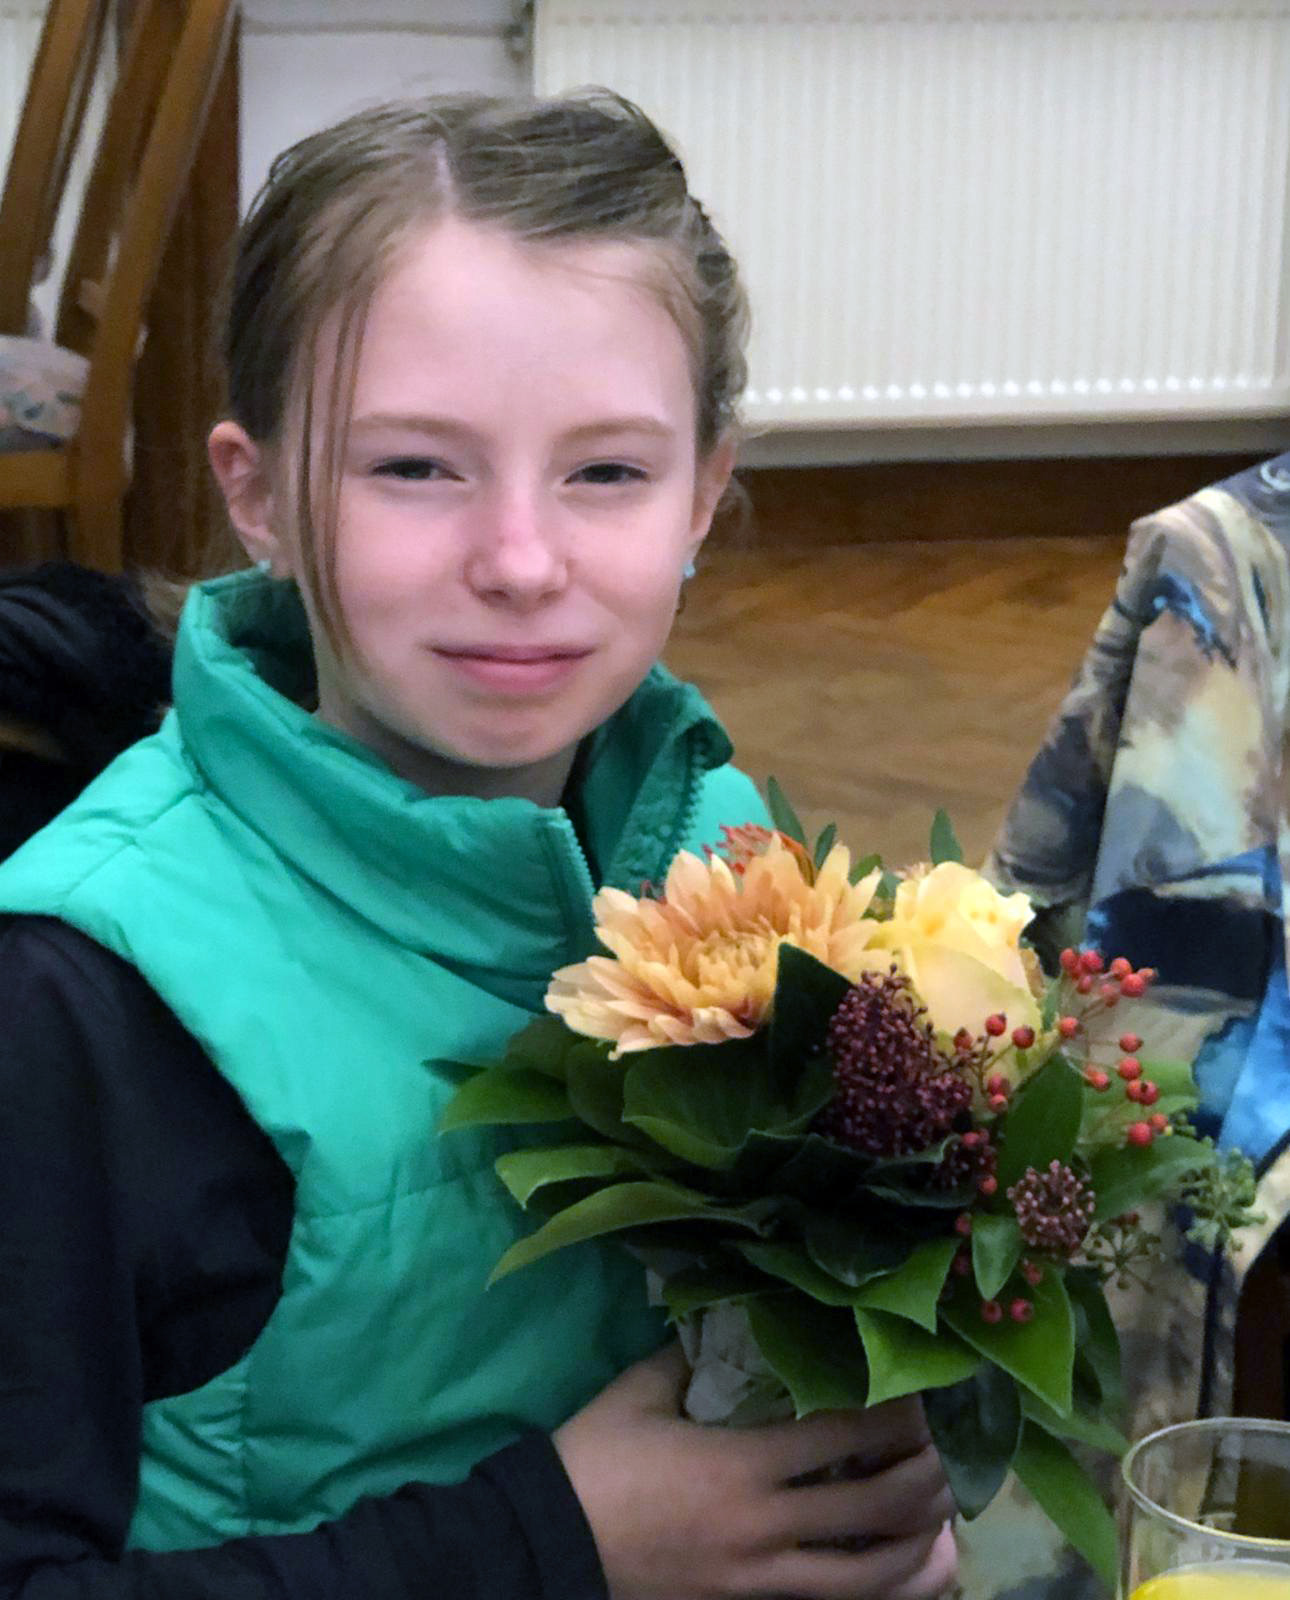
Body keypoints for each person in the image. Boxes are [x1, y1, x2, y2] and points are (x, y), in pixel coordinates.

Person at [0, 92, 957, 1600]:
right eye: (414, 469)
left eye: (606, 473)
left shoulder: (726, 849)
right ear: (257, 495)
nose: (519, 561)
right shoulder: (77, 996)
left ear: (704, 495)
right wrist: (557, 1544)